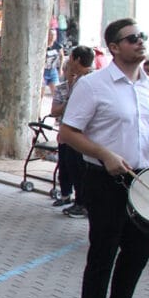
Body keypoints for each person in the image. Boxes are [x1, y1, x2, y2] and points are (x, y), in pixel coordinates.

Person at [58, 18, 149, 298]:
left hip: (143, 178)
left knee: (139, 251)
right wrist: (104, 154)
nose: (140, 41)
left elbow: (146, 131)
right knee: (103, 252)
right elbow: (67, 132)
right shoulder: (93, 85)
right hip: (105, 179)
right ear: (114, 48)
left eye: (141, 36)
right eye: (131, 39)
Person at [50, 45, 95, 216]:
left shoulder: (88, 80)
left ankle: (83, 203)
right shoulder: (80, 80)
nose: (69, 62)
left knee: (80, 169)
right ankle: (77, 200)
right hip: (72, 133)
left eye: (71, 58)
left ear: (77, 60)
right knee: (71, 167)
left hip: (80, 134)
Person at [42, 28, 63, 97]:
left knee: (56, 93)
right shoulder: (43, 46)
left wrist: (60, 68)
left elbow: (62, 56)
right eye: (51, 35)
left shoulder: (58, 46)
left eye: (54, 35)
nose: (53, 37)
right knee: (41, 93)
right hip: (44, 71)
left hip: (53, 70)